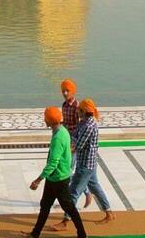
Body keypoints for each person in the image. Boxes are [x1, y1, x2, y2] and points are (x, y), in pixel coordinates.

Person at [27, 107, 86, 238]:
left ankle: (82, 234)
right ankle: (35, 233)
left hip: (59, 180)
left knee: (69, 208)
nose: (44, 120)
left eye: (45, 118)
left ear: (49, 120)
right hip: (54, 178)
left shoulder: (58, 137)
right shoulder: (63, 130)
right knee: (45, 206)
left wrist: (38, 180)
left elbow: (53, 163)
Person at [61, 99, 112, 226]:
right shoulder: (83, 122)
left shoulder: (89, 126)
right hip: (89, 162)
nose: (77, 111)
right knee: (95, 186)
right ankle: (109, 213)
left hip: (86, 164)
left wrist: (67, 144)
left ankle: (66, 220)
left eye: (79, 110)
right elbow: (75, 136)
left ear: (84, 111)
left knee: (73, 191)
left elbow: (79, 144)